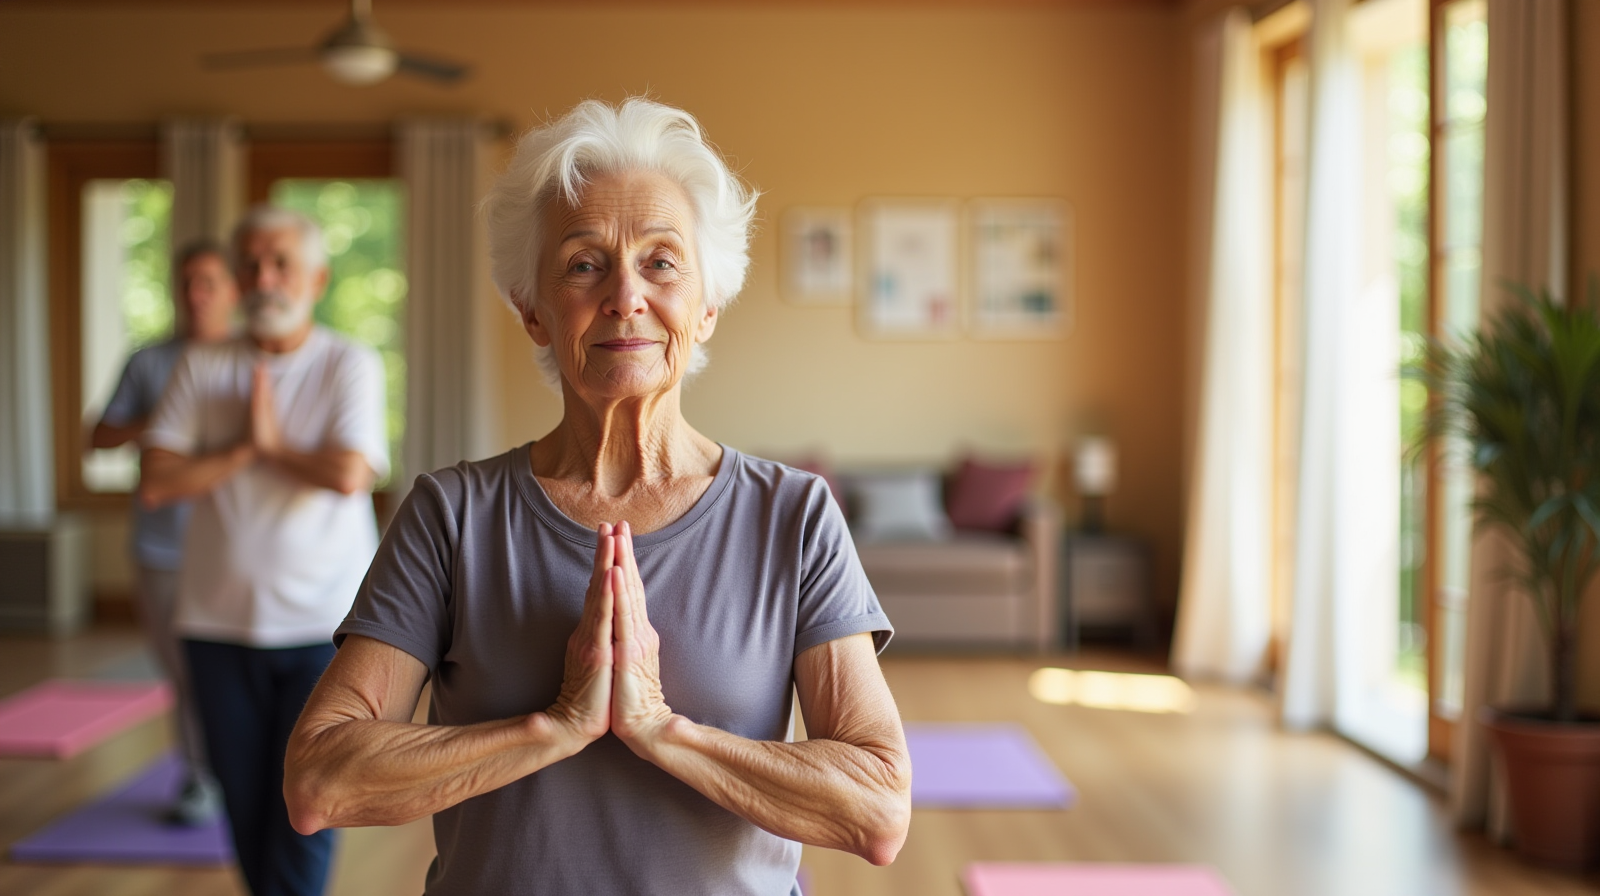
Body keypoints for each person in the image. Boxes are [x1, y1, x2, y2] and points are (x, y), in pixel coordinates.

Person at [283, 97, 912, 895]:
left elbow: (878, 809)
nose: (625, 296)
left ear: (707, 306)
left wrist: (658, 728)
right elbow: (319, 782)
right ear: (533, 310)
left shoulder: (793, 515)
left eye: (661, 262)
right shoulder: (451, 515)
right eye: (584, 263)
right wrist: (553, 727)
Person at [140, 206, 388, 896]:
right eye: (249, 263)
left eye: (280, 263)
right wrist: (244, 447)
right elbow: (157, 482)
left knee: (311, 805)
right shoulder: (202, 364)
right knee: (244, 805)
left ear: (317, 278)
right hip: (215, 625)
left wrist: (273, 445)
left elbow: (347, 473)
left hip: (325, 627)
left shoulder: (348, 363)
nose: (263, 278)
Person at [90, 238, 239, 826]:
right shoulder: (149, 361)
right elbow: (98, 436)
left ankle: (249, 771)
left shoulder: (252, 359)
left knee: (238, 671)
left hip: (235, 550)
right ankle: (200, 779)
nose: (196, 295)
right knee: (184, 671)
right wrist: (167, 417)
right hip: (162, 548)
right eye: (187, 284)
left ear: (231, 291)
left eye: (209, 283)